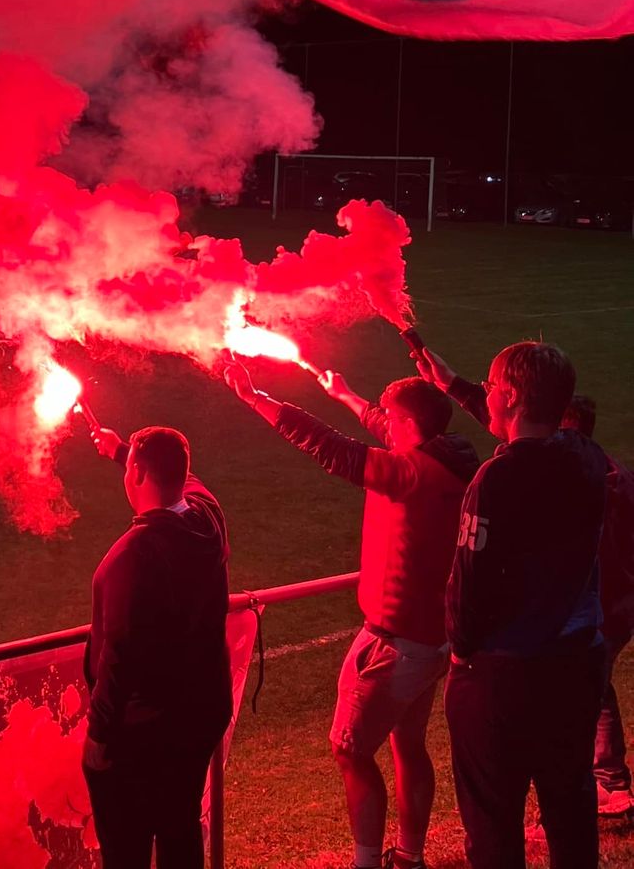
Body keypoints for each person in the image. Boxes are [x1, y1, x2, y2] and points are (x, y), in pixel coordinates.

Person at [225, 361, 478, 869]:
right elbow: (380, 423)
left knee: (350, 749)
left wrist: (256, 399)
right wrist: (344, 393)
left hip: (394, 642)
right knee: (408, 744)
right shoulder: (447, 457)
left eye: (391, 416)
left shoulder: (409, 474)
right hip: (432, 640)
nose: (382, 420)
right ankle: (409, 856)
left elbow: (331, 448)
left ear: (411, 427)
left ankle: (366, 863)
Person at [417, 341, 607, 869]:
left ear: (514, 396)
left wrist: (461, 655)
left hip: (503, 678)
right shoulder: (585, 456)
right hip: (574, 669)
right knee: (570, 810)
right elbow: (534, 432)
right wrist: (453, 384)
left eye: (493, 385)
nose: (488, 392)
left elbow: (470, 584)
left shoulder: (495, 480)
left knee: (494, 824)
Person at [82, 420, 231, 869]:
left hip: (143, 733)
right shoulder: (208, 518)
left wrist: (99, 733)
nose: (126, 475)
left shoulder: (132, 555)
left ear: (141, 475)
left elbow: (118, 655)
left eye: (130, 468)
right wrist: (120, 450)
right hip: (201, 714)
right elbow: (185, 479)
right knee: (179, 827)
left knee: (125, 846)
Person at [564, 395, 634, 817]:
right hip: (618, 606)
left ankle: (606, 786)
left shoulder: (583, 481)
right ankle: (614, 786)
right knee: (596, 689)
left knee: (577, 698)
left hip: (598, 610)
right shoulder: (612, 468)